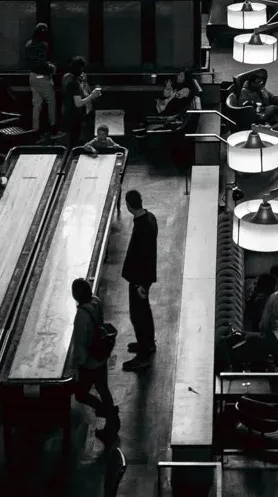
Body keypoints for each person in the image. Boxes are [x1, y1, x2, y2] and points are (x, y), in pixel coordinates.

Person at [69, 277, 120, 442]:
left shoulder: (81, 315)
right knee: (103, 388)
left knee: (81, 394)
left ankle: (105, 411)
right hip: (101, 355)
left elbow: (80, 343)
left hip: (90, 363)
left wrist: (77, 366)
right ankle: (112, 422)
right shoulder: (96, 301)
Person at [122, 189, 158, 368]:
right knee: (144, 311)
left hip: (139, 280)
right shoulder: (149, 218)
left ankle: (143, 354)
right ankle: (148, 344)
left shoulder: (142, 226)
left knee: (138, 315)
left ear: (128, 205)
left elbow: (141, 257)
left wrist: (139, 284)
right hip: (144, 278)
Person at [61, 58, 103, 146]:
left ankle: (73, 146)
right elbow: (78, 103)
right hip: (74, 113)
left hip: (67, 110)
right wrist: (92, 95)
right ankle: (73, 150)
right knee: (74, 136)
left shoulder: (66, 77)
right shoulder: (74, 83)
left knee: (73, 134)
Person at [26, 25, 58, 132]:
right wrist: (51, 68)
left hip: (32, 76)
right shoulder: (43, 45)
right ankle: (53, 129)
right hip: (42, 77)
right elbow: (42, 63)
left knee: (36, 105)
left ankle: (35, 130)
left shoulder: (28, 44)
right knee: (51, 101)